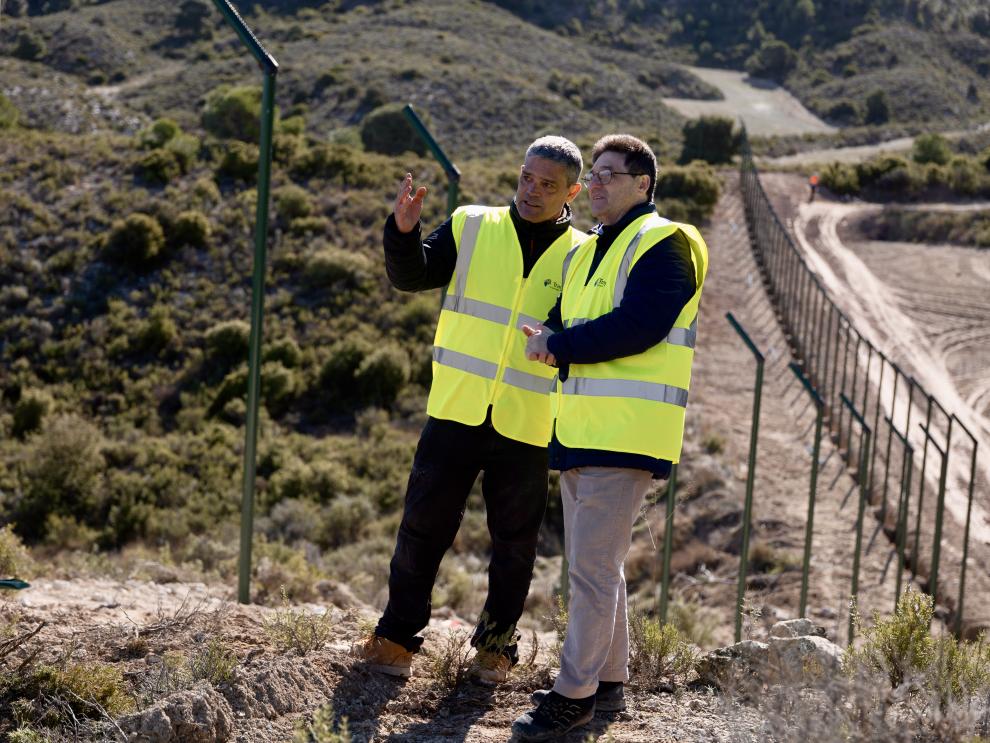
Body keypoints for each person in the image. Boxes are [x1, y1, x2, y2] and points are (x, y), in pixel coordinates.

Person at [351, 136, 587, 684]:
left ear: (572, 191)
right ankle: (395, 639)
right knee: (421, 529)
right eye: (527, 177)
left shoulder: (583, 253)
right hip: (456, 407)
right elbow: (411, 275)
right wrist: (404, 232)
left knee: (515, 546)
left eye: (547, 185)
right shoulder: (471, 224)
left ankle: (495, 650)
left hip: (528, 418)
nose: (531, 190)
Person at [512, 134, 709, 740]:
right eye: (593, 174)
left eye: (610, 174)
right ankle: (611, 677)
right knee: (598, 565)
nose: (596, 184)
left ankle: (573, 696)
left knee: (592, 572)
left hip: (627, 433)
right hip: (581, 430)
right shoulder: (589, 249)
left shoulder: (665, 243)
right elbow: (579, 323)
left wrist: (561, 345)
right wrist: (548, 333)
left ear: (643, 184)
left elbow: (642, 326)